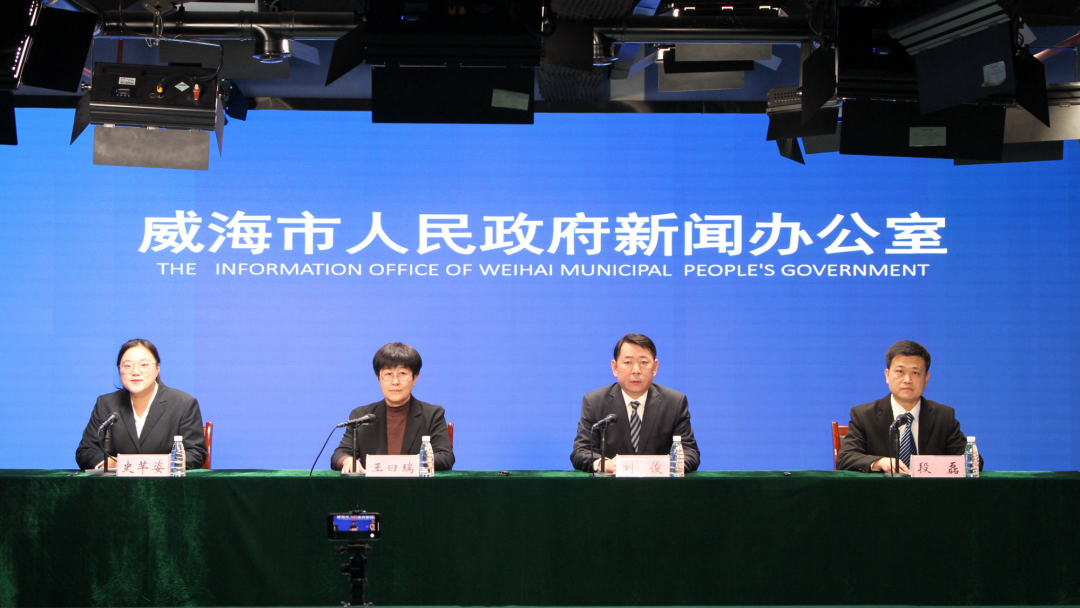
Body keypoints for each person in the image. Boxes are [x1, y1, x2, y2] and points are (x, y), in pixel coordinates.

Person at [837, 340, 982, 474]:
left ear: (926, 378)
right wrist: (880, 462)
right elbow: (845, 458)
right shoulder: (864, 415)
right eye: (900, 371)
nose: (907, 380)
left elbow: (974, 463)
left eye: (915, 373)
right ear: (887, 375)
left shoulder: (944, 417)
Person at [571, 333, 700, 473]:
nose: (636, 370)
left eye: (643, 362)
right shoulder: (595, 402)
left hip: (659, 485)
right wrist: (604, 464)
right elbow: (581, 452)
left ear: (655, 367)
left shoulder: (674, 403)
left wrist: (664, 467)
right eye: (628, 362)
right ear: (615, 368)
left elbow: (690, 453)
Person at [76, 339, 207, 470]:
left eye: (144, 365)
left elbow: (196, 454)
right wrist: (118, 464)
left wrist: (149, 466)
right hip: (118, 482)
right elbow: (86, 452)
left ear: (157, 368)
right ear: (119, 370)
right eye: (127, 366)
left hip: (165, 482)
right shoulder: (105, 404)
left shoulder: (183, 404)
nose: (135, 372)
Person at [331, 343, 454, 473]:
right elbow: (339, 454)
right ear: (378, 378)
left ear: (415, 378)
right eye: (388, 374)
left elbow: (445, 457)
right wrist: (347, 460)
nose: (395, 381)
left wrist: (407, 464)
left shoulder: (432, 414)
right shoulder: (361, 416)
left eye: (402, 373)